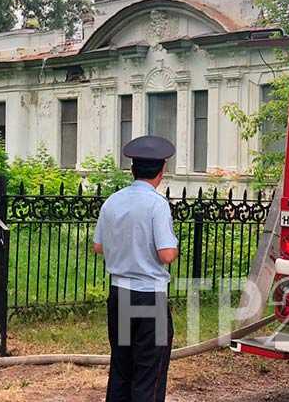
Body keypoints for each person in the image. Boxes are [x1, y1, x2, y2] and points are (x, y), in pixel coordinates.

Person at [93, 135, 179, 402]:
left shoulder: (113, 201)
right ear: (162, 171)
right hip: (149, 297)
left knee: (122, 368)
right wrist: (174, 247)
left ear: (132, 170)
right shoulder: (157, 204)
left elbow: (98, 247)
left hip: (120, 294)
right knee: (149, 373)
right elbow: (166, 254)